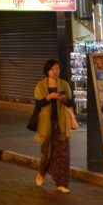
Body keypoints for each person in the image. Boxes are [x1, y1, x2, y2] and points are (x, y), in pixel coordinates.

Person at [34, 59, 75, 193]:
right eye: (52, 69)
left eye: (57, 69)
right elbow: (39, 104)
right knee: (48, 152)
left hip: (62, 124)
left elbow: (70, 103)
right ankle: (41, 172)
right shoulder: (40, 86)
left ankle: (61, 183)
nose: (55, 72)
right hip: (46, 124)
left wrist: (64, 99)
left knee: (63, 153)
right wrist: (49, 97)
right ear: (47, 70)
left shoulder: (64, 85)